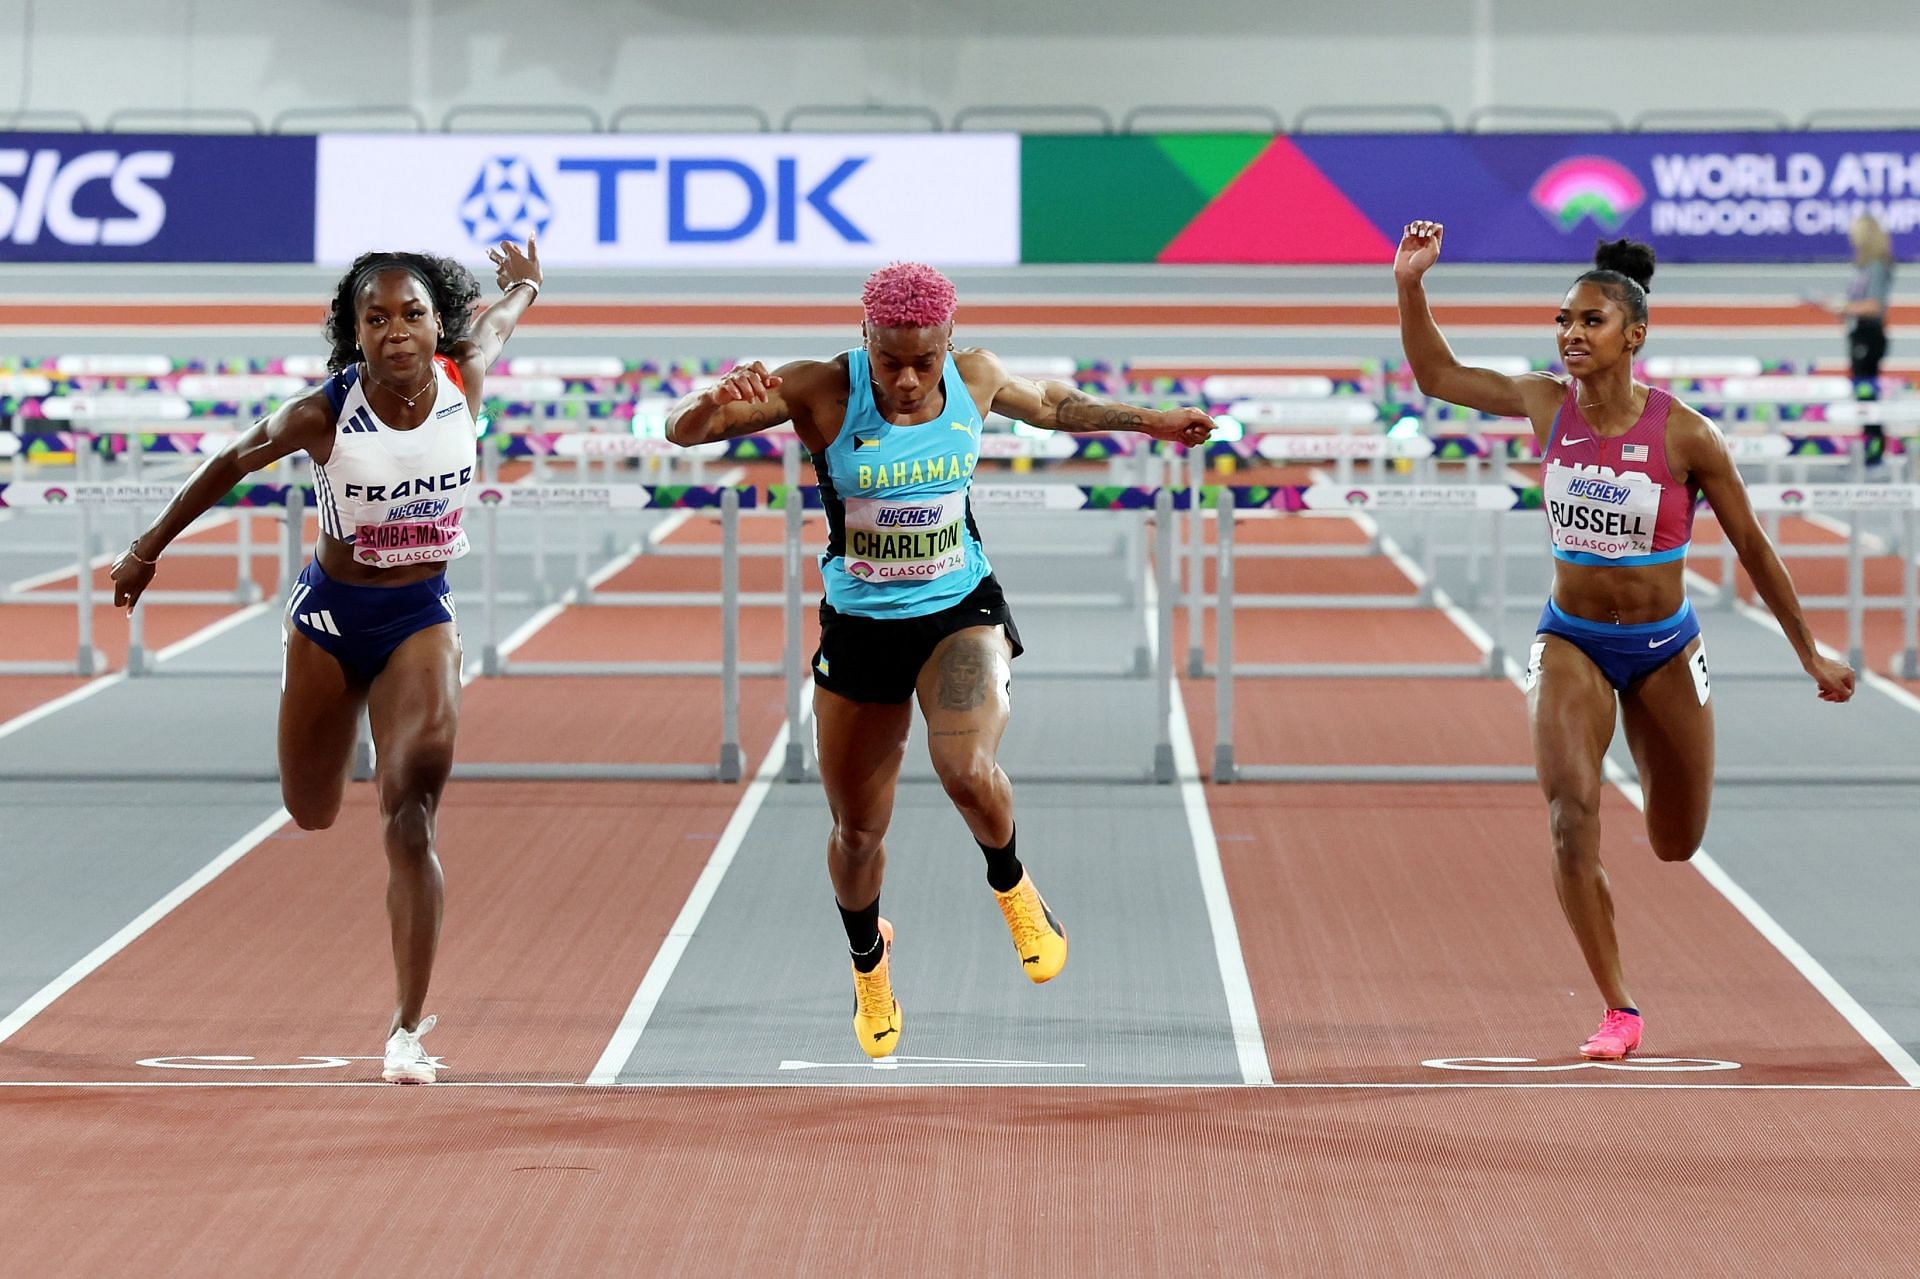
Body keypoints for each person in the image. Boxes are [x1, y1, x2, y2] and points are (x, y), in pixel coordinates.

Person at [667, 261, 1212, 1057]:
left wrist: (1148, 420)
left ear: (949, 340)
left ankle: (1014, 884)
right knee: (858, 831)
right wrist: (710, 399)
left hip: (959, 609)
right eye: (892, 360)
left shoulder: (976, 376)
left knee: (965, 768)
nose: (911, 378)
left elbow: (1055, 405)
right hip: (859, 627)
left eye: (926, 358)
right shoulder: (820, 388)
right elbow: (684, 431)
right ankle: (869, 965)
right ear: (866, 340)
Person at [1395, 224, 1855, 1059]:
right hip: (1570, 638)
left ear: (1634, 334)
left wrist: (1809, 652)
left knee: (1676, 841)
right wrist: (1410, 286)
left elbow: (1754, 546)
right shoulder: (1545, 403)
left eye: (1590, 321)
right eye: (1564, 320)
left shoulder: (1688, 436)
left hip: (1666, 647)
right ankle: (1619, 1008)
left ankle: (1657, 827)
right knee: (1571, 815)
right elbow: (1437, 375)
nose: (1571, 334)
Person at [110, 239, 543, 1083]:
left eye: (411, 314)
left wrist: (524, 282)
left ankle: (406, 1029)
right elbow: (228, 464)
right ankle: (341, 725)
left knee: (410, 804)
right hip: (330, 620)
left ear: (436, 323)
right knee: (310, 809)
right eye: (375, 318)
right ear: (354, 333)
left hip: (420, 615)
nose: (395, 332)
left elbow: (504, 317)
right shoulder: (323, 413)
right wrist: (146, 549)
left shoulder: (467, 375)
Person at [1813, 214, 1896, 466]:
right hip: (1860, 333)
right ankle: (1871, 450)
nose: (1852, 239)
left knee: (1867, 394)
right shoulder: (1864, 268)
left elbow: (1873, 306)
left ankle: (1875, 453)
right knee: (1862, 395)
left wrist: (1844, 307)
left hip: (1869, 335)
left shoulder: (1877, 267)